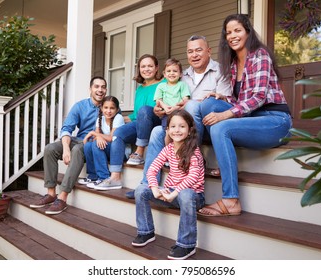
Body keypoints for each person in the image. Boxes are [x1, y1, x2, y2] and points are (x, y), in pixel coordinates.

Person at [197, 14, 292, 216]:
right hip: (251, 118)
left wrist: (225, 115)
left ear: (248, 32)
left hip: (274, 120)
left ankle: (231, 200)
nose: (232, 36)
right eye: (228, 32)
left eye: (237, 30)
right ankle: (225, 163)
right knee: (208, 105)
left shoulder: (260, 56)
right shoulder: (232, 64)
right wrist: (222, 99)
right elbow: (240, 103)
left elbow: (258, 97)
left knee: (221, 126)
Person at [126, 35, 231, 199]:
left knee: (193, 105)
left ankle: (193, 154)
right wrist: (160, 110)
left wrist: (214, 97)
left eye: (198, 50)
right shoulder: (182, 75)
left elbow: (227, 101)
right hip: (179, 128)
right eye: (190, 51)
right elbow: (171, 97)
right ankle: (147, 185)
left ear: (209, 51)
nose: (194, 55)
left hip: (208, 127)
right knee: (156, 132)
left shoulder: (220, 70)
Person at [132, 110, 205, 260]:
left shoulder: (194, 151)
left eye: (182, 126)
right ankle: (146, 232)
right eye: (173, 126)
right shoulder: (168, 149)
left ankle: (186, 245)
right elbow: (152, 169)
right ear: (167, 129)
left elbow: (192, 177)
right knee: (141, 190)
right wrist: (154, 188)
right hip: (170, 194)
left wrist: (174, 193)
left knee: (185, 194)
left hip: (192, 197)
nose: (177, 130)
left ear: (190, 130)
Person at [29, 76, 107, 214]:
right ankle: (51, 193)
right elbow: (66, 129)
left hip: (92, 143)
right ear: (90, 89)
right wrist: (65, 149)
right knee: (50, 149)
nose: (100, 90)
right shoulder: (80, 106)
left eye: (103, 87)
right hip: (78, 139)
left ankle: (63, 197)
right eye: (96, 86)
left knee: (77, 149)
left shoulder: (109, 106)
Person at [98, 54, 164, 189]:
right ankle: (115, 177)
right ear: (139, 69)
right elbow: (135, 114)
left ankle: (139, 151)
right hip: (141, 122)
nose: (146, 69)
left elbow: (146, 111)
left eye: (150, 66)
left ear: (156, 68)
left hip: (157, 121)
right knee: (119, 133)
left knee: (145, 110)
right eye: (143, 66)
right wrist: (115, 118)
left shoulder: (164, 83)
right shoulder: (140, 89)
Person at [82, 96, 125, 190]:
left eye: (112, 108)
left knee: (95, 145)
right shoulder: (100, 119)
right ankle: (93, 176)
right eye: (106, 108)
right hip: (106, 149)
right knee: (88, 145)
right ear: (101, 108)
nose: (108, 111)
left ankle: (104, 177)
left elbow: (111, 138)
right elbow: (96, 138)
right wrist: (97, 136)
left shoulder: (119, 118)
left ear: (117, 109)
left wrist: (93, 133)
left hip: (118, 152)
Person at [154, 58, 190, 145]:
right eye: (169, 71)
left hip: (180, 113)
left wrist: (175, 108)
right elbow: (158, 100)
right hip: (166, 114)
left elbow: (185, 99)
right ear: (164, 74)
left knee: (181, 133)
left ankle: (181, 150)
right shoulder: (161, 86)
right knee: (168, 133)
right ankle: (169, 151)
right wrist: (165, 107)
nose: (171, 73)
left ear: (180, 74)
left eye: (175, 71)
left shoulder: (182, 85)